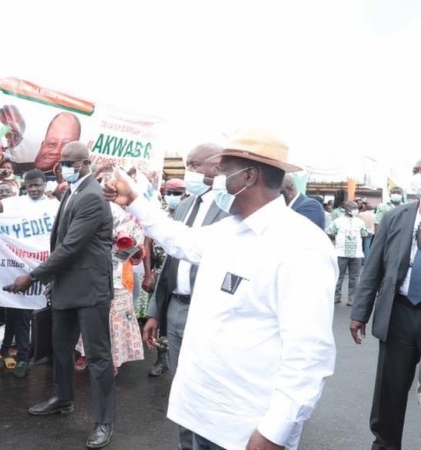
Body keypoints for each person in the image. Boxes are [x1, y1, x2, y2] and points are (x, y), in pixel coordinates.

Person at [105, 129, 336, 450]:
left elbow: (310, 354)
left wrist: (274, 432)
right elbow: (176, 238)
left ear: (249, 177)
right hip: (200, 414)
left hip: (246, 427)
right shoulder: (227, 231)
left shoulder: (301, 245)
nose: (216, 181)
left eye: (223, 172)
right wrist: (134, 201)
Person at [8, 142, 115, 449]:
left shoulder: (93, 195)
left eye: (71, 162)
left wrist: (33, 276)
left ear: (86, 163)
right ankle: (62, 397)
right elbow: (60, 244)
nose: (65, 167)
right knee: (60, 347)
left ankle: (104, 421)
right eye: (62, 162)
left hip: (90, 288)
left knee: (97, 357)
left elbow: (70, 247)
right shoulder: (71, 192)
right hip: (66, 286)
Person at [142, 143, 227, 446]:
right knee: (183, 392)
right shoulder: (185, 204)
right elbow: (170, 261)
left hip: (206, 312)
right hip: (176, 308)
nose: (188, 171)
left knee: (208, 392)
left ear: (217, 168)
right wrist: (155, 311)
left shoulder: (230, 209)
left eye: (194, 164)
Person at [349, 159, 421, 449]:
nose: (418, 177)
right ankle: (385, 444)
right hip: (400, 312)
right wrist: (360, 313)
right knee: (389, 392)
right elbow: (374, 268)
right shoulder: (396, 217)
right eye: (417, 172)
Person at [0, 169, 60, 378]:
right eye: (30, 185)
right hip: (15, 265)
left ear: (44, 185)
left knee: (28, 314)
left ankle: (25, 355)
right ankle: (13, 352)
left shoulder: (54, 206)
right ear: (24, 186)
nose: (34, 189)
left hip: (42, 266)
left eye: (38, 185)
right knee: (15, 312)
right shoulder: (16, 202)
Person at [328, 200, 367, 306]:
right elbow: (331, 233)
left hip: (356, 254)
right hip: (341, 253)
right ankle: (336, 297)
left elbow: (364, 234)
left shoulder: (360, 222)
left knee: (355, 277)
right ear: (347, 209)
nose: (356, 209)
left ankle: (352, 298)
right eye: (354, 208)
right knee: (338, 276)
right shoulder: (337, 221)